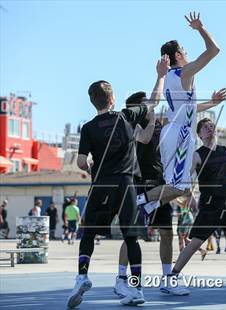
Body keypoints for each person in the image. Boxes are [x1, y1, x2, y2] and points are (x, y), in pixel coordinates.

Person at [66, 80, 151, 308]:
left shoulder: (89, 128)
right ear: (112, 99)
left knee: (88, 234)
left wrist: (91, 165)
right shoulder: (125, 117)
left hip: (102, 184)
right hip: (125, 184)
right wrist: (160, 76)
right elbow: (153, 102)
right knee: (131, 238)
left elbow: (82, 162)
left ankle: (82, 277)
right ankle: (137, 288)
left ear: (93, 102)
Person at [135, 12, 226, 218]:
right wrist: (201, 28)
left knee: (180, 187)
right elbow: (214, 50)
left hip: (173, 131)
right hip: (180, 135)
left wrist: (212, 103)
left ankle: (146, 207)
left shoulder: (168, 77)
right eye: (184, 50)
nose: (186, 53)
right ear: (178, 55)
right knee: (179, 188)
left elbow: (187, 109)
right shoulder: (184, 73)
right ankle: (138, 202)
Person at [164, 118, 226, 294]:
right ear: (200, 134)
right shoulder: (197, 155)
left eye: (212, 126)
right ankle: (171, 278)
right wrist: (187, 193)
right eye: (205, 127)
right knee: (194, 243)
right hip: (209, 205)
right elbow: (186, 179)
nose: (210, 129)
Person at [114, 56, 184, 299]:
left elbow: (186, 112)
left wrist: (210, 104)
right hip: (138, 184)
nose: (149, 106)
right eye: (144, 104)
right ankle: (121, 278)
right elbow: (143, 138)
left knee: (167, 233)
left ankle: (168, 278)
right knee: (133, 236)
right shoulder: (129, 125)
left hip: (158, 185)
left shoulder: (159, 125)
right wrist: (161, 75)